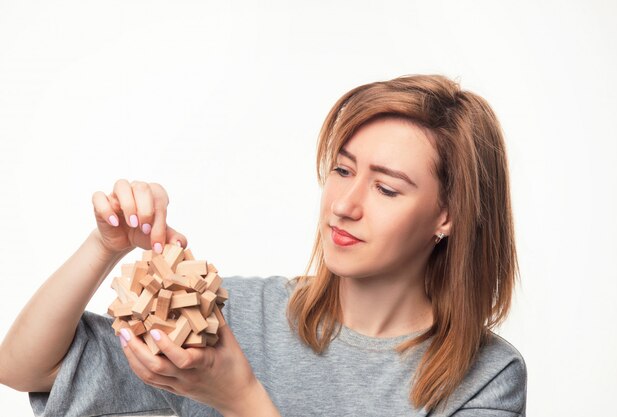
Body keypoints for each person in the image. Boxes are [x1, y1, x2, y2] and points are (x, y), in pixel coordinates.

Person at [0, 74, 527, 416]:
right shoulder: (234, 317)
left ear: (447, 216)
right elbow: (25, 369)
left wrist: (239, 398)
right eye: (342, 170)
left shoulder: (485, 379)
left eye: (386, 188)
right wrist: (104, 244)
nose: (344, 203)